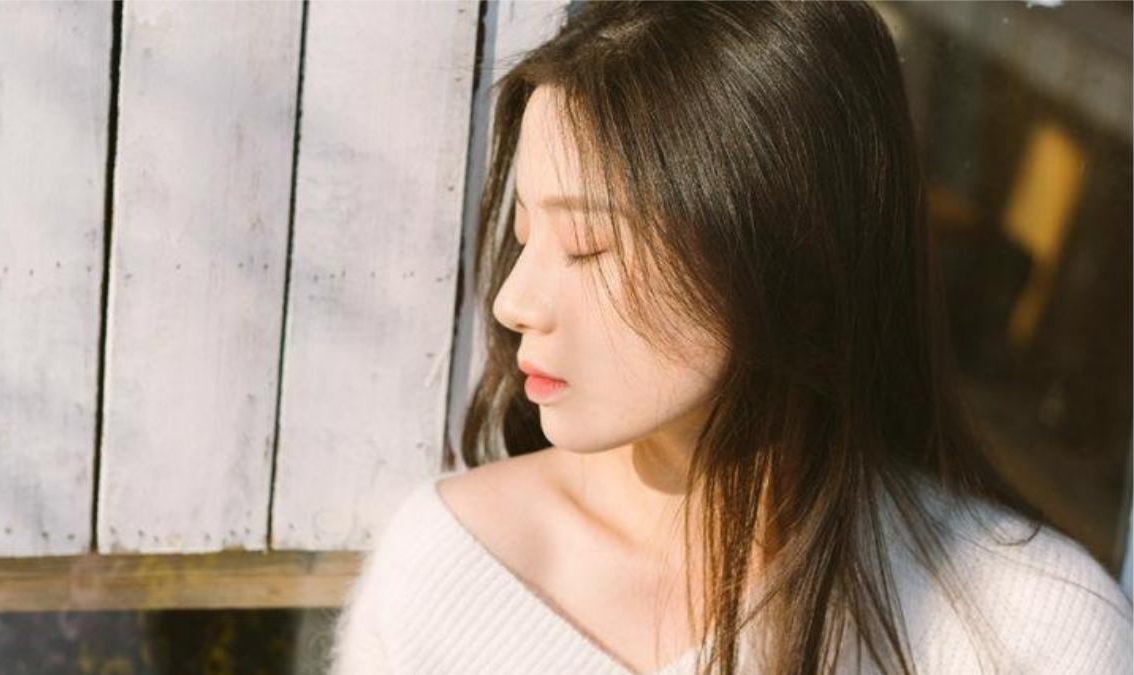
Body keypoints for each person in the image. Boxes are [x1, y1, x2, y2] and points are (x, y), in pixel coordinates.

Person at [330, 2, 1133, 673]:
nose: (513, 301)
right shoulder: (451, 568)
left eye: (587, 246)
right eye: (524, 233)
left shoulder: (1030, 628)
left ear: (786, 257)